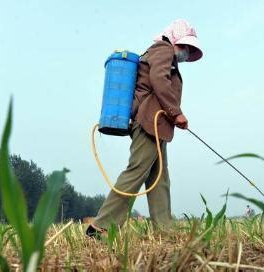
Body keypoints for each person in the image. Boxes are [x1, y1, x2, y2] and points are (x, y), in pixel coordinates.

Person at [86, 19, 203, 237]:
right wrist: (175, 112)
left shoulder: (164, 55)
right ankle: (101, 226)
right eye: (186, 46)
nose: (187, 52)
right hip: (149, 122)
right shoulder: (162, 49)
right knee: (136, 171)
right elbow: (159, 79)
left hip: (157, 125)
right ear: (176, 39)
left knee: (159, 178)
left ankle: (164, 229)